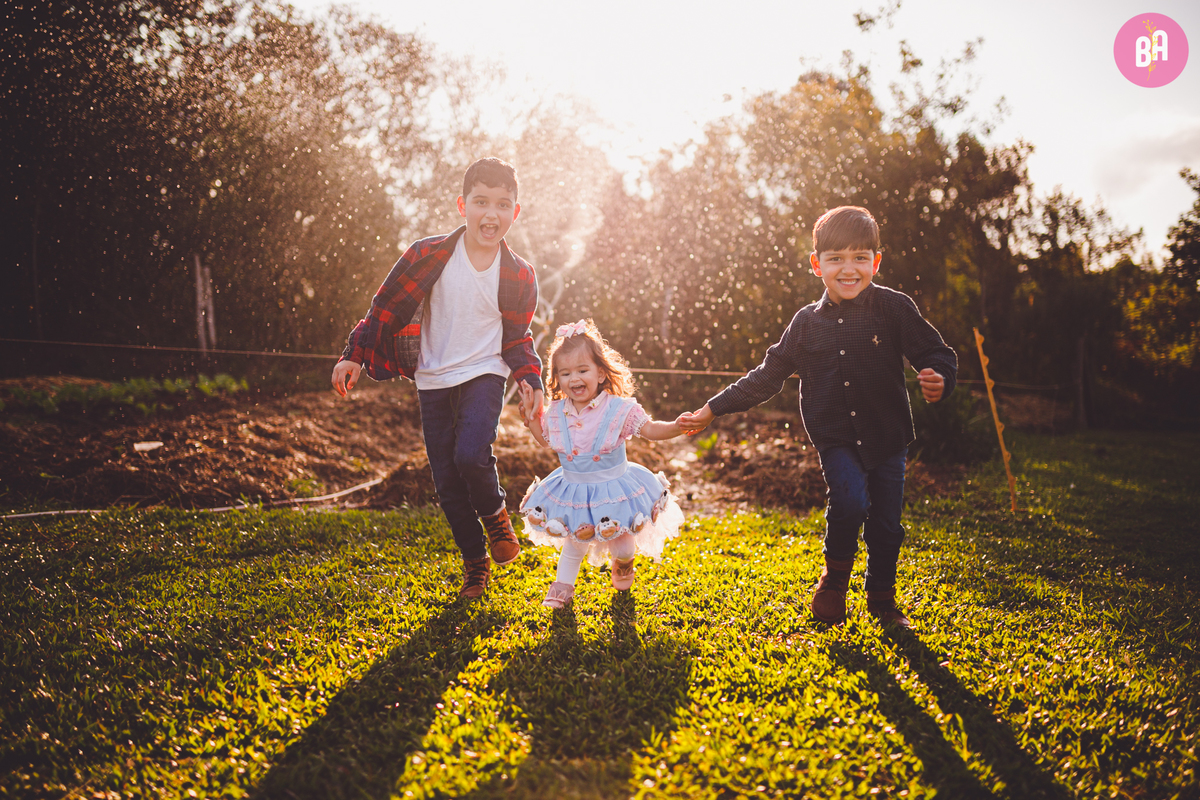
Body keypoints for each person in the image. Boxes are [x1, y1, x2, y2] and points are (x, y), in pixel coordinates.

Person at [679, 205, 957, 628]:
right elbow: (767, 376)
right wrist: (713, 408)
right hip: (836, 437)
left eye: (861, 258)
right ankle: (834, 583)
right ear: (817, 265)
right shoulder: (806, 324)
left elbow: (935, 352)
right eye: (836, 259)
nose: (849, 269)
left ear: (876, 262)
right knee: (848, 501)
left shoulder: (894, 309)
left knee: (886, 522)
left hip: (887, 437)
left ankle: (882, 599)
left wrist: (939, 375)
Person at [331, 157, 543, 600]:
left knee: (471, 455)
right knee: (446, 481)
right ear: (463, 205)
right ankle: (475, 565)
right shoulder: (426, 254)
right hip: (432, 376)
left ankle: (496, 515)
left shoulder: (519, 274)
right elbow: (384, 307)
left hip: (485, 371)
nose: (491, 214)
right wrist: (354, 354)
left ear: (515, 212)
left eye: (503, 204)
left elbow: (517, 338)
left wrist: (531, 381)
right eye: (481, 202)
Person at [516, 319, 687, 609]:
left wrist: (678, 426)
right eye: (566, 373)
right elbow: (545, 440)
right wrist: (532, 418)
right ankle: (562, 588)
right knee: (574, 543)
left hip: (614, 489)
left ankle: (623, 563)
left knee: (620, 542)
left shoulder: (620, 410)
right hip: (574, 490)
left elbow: (651, 429)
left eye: (583, 370)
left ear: (600, 372)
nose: (574, 378)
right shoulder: (557, 412)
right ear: (557, 377)